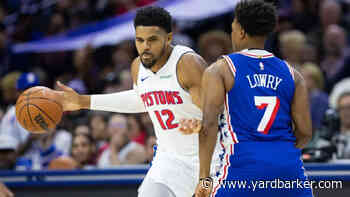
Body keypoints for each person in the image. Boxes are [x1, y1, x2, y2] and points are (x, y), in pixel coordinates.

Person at [55, 6, 221, 197]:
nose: (145, 47)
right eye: (139, 40)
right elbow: (140, 100)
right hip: (169, 161)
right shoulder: (138, 67)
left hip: (207, 159)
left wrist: (205, 176)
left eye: (152, 40)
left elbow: (215, 118)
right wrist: (83, 101)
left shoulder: (188, 64)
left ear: (168, 38)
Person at [181, 1, 313, 197]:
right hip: (288, 172)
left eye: (233, 28)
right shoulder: (293, 75)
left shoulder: (221, 70)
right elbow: (304, 132)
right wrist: (276, 154)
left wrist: (204, 178)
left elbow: (208, 127)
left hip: (240, 169)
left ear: (241, 31)